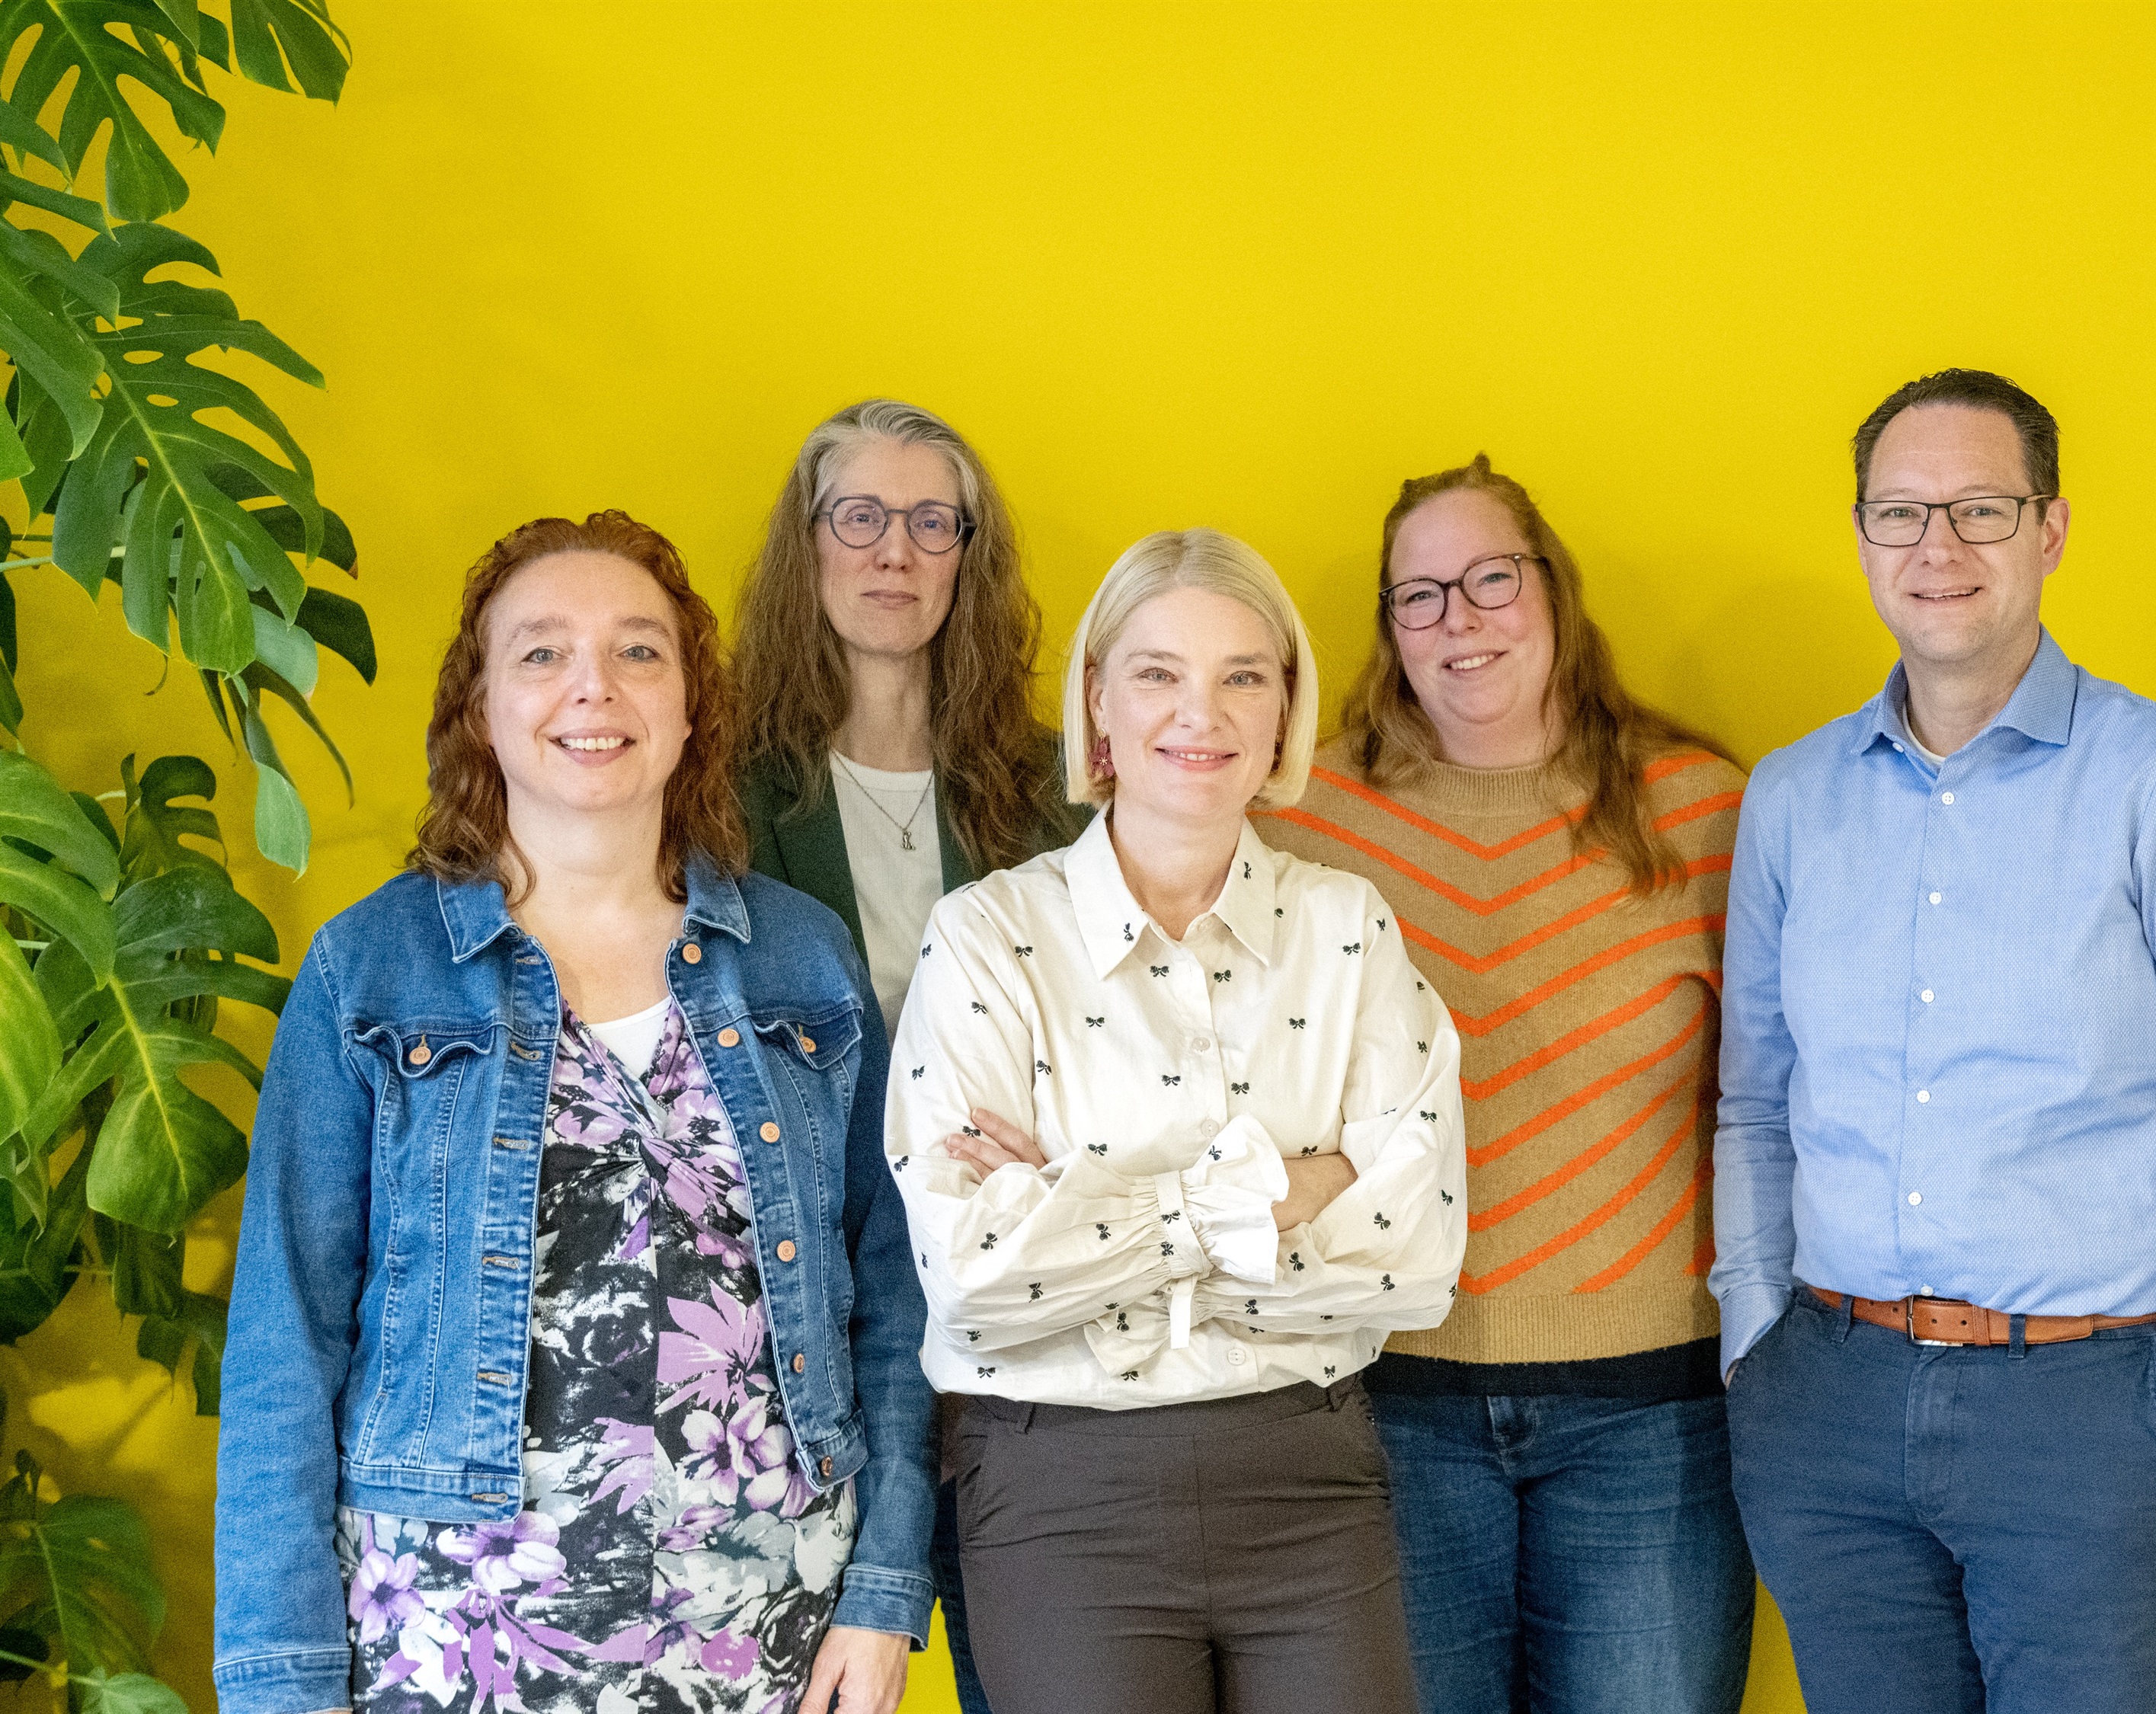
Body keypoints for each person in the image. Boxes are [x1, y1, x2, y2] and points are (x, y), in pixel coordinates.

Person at [213, 512, 931, 1714]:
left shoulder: (802, 959)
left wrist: (885, 1587)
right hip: (450, 1626)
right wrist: (282, 1682)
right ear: (481, 707)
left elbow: (898, 1292)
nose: (593, 685)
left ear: (692, 706)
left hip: (766, 1618)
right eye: (542, 652)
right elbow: (286, 1337)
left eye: (640, 651)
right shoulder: (371, 972)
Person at [1710, 368, 2156, 1714]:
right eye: (1901, 512)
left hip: (2092, 1412)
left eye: (1980, 508)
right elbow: (1756, 1102)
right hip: (1830, 1404)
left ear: (2051, 529)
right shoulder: (1794, 796)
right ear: (1863, 536)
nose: (1937, 545)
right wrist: (1756, 1345)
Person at [887, 528, 1467, 1714]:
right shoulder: (989, 937)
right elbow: (977, 1276)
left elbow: (1412, 1263)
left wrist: (1079, 1210)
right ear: (1098, 701)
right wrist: (1293, 1184)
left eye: (1242, 675)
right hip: (1062, 1489)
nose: (1200, 711)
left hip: (1309, 1473)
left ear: (1283, 709)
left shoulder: (1348, 928)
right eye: (1157, 672)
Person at [1254, 454, 1755, 1714]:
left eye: (1492, 578)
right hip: (1387, 1402)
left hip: (1652, 1413)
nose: (1460, 619)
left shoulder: (1702, 812)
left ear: (1554, 590)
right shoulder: (1306, 822)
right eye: (1419, 595)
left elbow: (1776, 1103)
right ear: (1388, 628)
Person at [731, 398, 1085, 1711]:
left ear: (968, 556)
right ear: (808, 545)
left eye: (933, 522)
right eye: (861, 516)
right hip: (811, 1317)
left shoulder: (1049, 791)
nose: (895, 550)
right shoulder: (721, 792)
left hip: (1023, 1316)